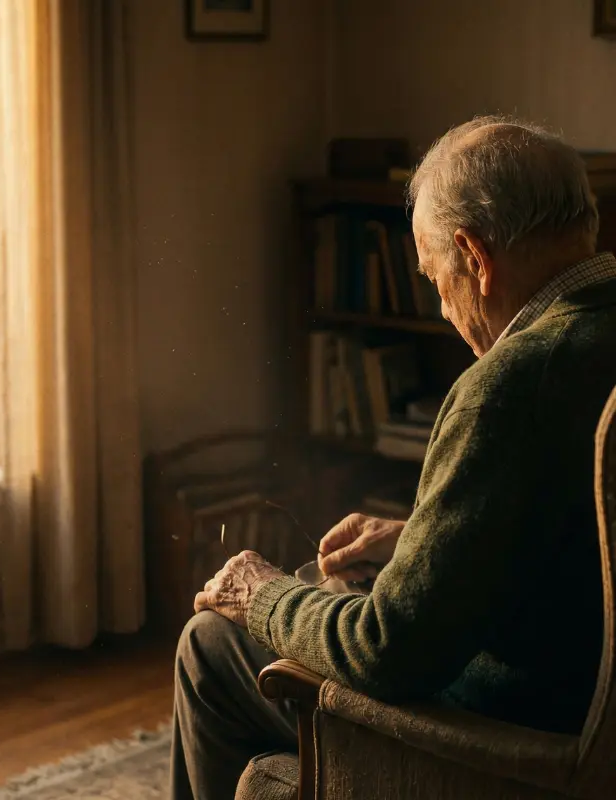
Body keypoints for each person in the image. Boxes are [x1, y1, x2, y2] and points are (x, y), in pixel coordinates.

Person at [170, 116, 616, 800]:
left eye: (436, 280)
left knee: (212, 642)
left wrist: (256, 596)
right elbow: (589, 533)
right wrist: (423, 540)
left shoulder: (511, 386)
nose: (442, 309)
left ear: (475, 257)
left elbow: (385, 649)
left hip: (511, 734)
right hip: (581, 684)